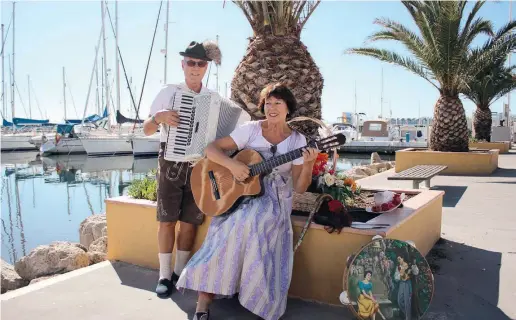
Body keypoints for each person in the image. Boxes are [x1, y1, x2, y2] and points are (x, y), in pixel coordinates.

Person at [176, 83, 319, 320]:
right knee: (226, 227)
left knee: (252, 223)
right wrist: (233, 165)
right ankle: (203, 301)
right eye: (267, 103)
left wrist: (309, 165)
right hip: (239, 193)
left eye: (277, 103)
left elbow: (300, 187)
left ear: (288, 108)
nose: (271, 108)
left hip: (274, 198)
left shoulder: (297, 141)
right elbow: (211, 149)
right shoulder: (251, 130)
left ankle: (257, 299)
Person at [143, 40, 221, 298]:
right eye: (191, 63)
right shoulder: (169, 92)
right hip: (171, 164)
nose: (195, 68)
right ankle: (164, 275)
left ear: (206, 67)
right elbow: (146, 129)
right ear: (183, 64)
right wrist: (158, 118)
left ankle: (180, 272)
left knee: (190, 222)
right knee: (167, 221)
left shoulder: (213, 99)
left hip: (200, 166)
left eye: (200, 63)